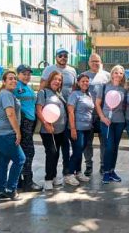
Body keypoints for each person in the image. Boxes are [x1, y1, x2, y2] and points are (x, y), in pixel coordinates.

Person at [40, 48, 76, 176]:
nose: (63, 57)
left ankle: (67, 171)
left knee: (67, 145)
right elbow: (42, 88)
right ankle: (51, 175)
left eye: (65, 55)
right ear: (56, 57)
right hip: (51, 110)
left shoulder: (72, 71)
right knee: (53, 148)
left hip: (67, 109)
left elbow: (73, 89)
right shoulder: (48, 69)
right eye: (60, 55)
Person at [0, 71, 26, 201]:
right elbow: (10, 114)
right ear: (4, 82)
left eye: (15, 79)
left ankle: (2, 191)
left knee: (3, 162)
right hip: (5, 134)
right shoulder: (6, 94)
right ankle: (11, 189)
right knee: (20, 159)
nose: (14, 81)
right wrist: (18, 132)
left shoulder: (7, 94)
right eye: (10, 79)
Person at [36, 72, 68, 190]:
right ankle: (48, 179)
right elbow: (39, 110)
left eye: (59, 80)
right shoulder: (43, 92)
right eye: (55, 79)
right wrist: (46, 123)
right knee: (51, 153)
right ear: (50, 80)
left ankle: (54, 177)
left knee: (56, 153)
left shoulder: (59, 93)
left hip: (60, 129)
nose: (57, 81)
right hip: (48, 130)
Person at [95, 65, 127, 184]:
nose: (118, 75)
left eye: (121, 73)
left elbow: (125, 106)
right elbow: (97, 104)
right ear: (112, 74)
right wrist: (102, 117)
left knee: (115, 147)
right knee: (109, 147)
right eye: (116, 73)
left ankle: (112, 171)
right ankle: (106, 172)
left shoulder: (124, 89)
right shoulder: (104, 87)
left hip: (119, 122)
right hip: (106, 121)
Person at [13, 65, 42, 192]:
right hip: (23, 122)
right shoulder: (16, 87)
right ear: (18, 74)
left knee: (25, 152)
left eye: (28, 74)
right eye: (24, 74)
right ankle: (27, 182)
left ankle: (19, 181)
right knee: (29, 152)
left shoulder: (27, 87)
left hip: (30, 121)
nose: (26, 76)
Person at [81, 53, 110, 176]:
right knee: (88, 142)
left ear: (101, 62)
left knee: (104, 141)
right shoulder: (83, 76)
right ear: (89, 62)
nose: (95, 63)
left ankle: (103, 165)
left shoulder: (107, 76)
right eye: (93, 61)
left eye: (97, 61)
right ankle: (88, 165)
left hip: (103, 114)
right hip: (88, 115)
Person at [65, 74, 94, 186]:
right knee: (77, 151)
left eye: (87, 81)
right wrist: (73, 129)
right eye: (83, 81)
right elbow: (71, 112)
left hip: (87, 128)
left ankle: (79, 172)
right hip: (77, 128)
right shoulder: (74, 94)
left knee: (80, 151)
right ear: (78, 82)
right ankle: (69, 174)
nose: (85, 83)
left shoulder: (88, 95)